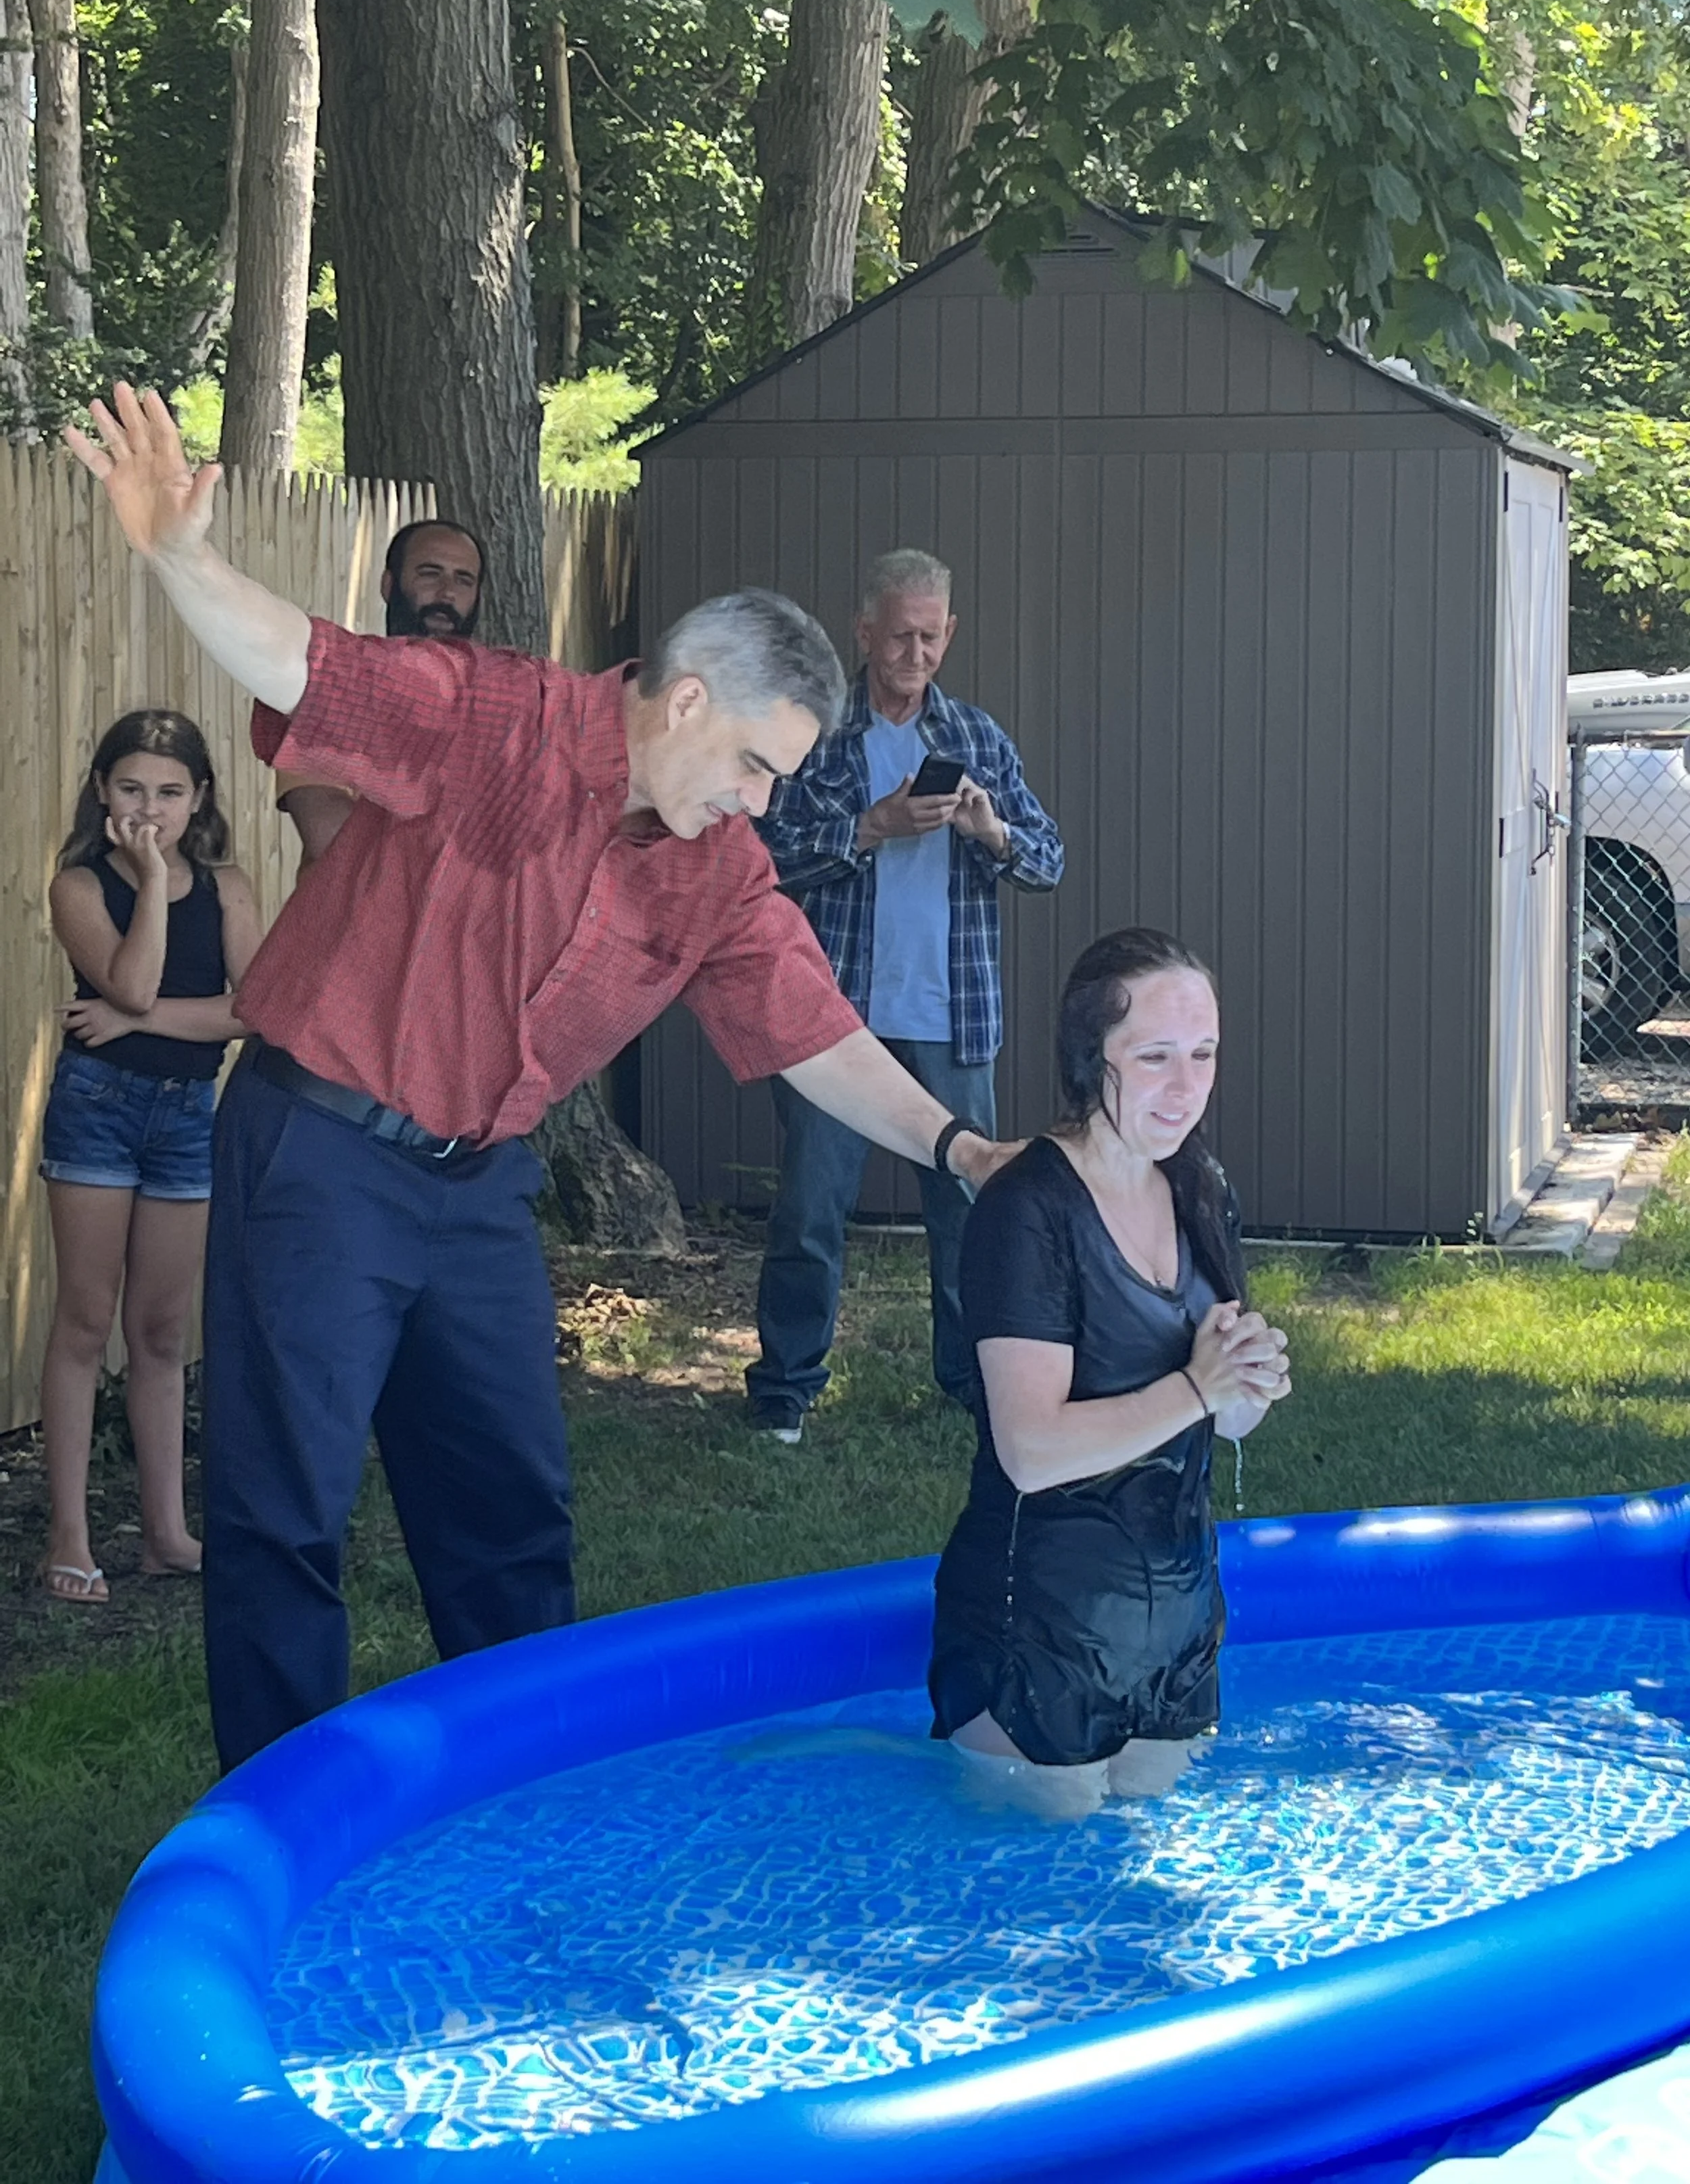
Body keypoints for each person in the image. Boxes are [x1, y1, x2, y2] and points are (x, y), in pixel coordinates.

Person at [65, 384, 1019, 1769]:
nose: (757, 800)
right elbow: (300, 664)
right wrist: (176, 554)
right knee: (285, 1512)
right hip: (320, 1152)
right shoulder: (488, 715)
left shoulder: (714, 862)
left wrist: (959, 1148)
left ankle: (520, 1802)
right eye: (753, 763)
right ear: (685, 700)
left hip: (476, 1191)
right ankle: (281, 1835)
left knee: (511, 1510)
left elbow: (815, 1028)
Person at [927, 928, 1293, 1819]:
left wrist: (1245, 1384)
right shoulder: (1028, 1211)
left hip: (1174, 1640)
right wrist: (1199, 1388)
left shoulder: (1197, 1184)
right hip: (1036, 1636)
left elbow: (1221, 1419)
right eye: (1156, 1056)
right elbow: (1031, 1449)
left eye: (1204, 1054)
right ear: (1094, 1060)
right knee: (1040, 1913)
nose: (1187, 1086)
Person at [746, 549, 1064, 1441]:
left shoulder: (976, 739)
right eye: (898, 636)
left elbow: (1048, 861)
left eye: (930, 636)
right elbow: (761, 860)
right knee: (812, 1210)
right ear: (863, 631)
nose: (914, 652)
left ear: (950, 633)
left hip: (954, 1019)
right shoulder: (817, 730)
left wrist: (990, 829)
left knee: (969, 1213)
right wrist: (871, 828)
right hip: (833, 1021)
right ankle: (786, 1387)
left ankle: (972, 1385)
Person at [37, 709, 264, 1604]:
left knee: (164, 1332)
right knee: (88, 1323)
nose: (149, 809)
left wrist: (139, 1019)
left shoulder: (232, 887)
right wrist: (155, 879)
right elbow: (127, 978)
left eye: (170, 794)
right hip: (96, 1109)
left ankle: (167, 1534)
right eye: (131, 789)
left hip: (185, 1115)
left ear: (199, 797)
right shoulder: (80, 886)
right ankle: (69, 1536)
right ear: (102, 791)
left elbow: (257, 1010)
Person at [277, 517, 487, 867]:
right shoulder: (334, 689)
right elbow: (331, 840)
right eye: (430, 573)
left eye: (463, 580)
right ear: (389, 585)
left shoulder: (504, 704)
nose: (447, 593)